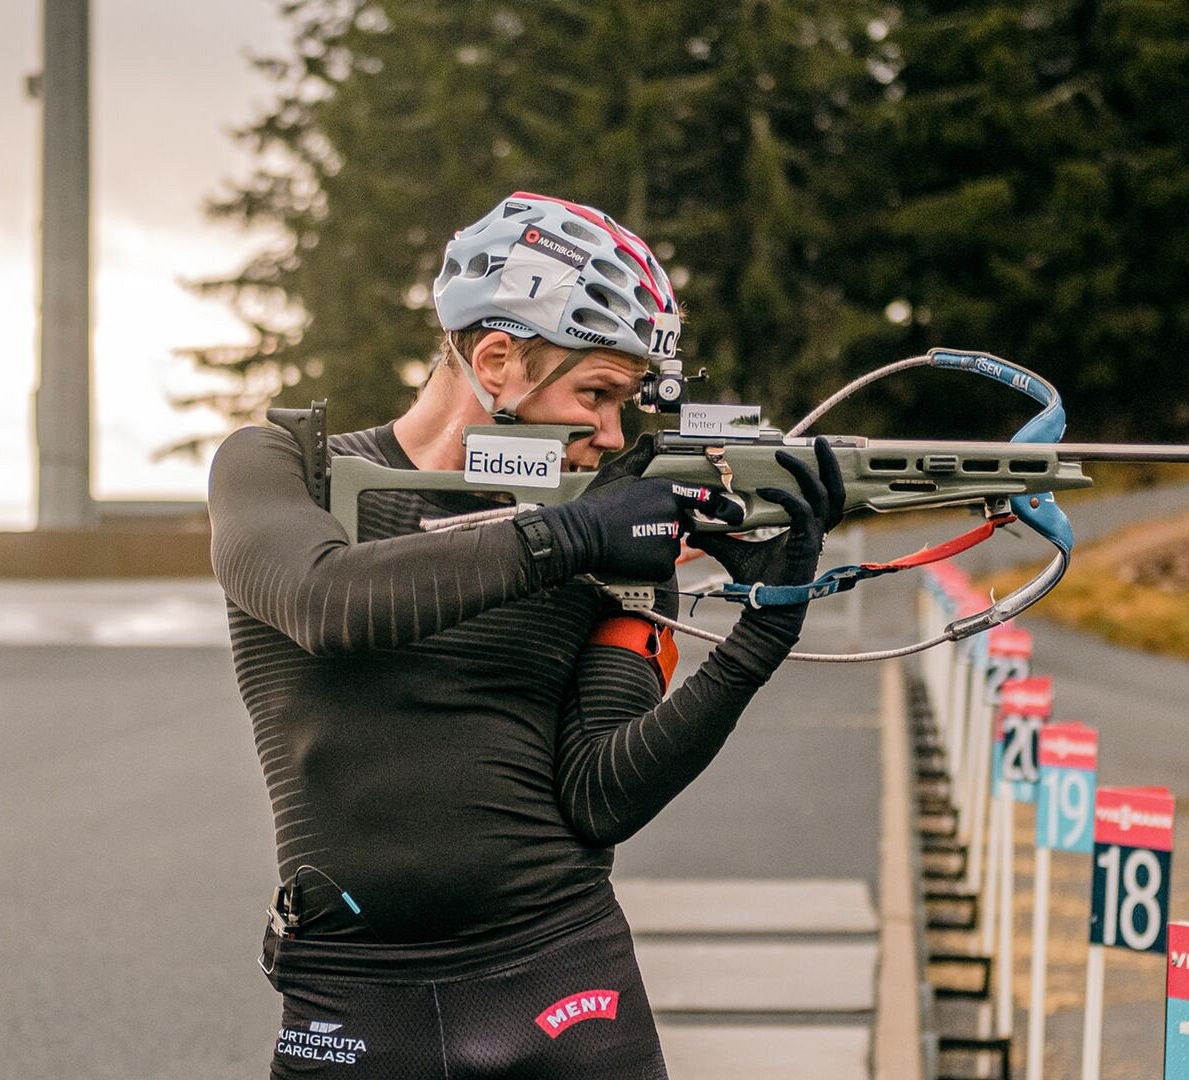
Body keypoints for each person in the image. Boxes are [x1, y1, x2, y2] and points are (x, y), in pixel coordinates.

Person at [207, 192, 844, 1079]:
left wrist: (758, 637)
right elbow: (327, 604)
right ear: (498, 359)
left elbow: (598, 798)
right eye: (596, 394)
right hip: (350, 998)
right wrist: (571, 538)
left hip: (563, 977)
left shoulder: (607, 529)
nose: (612, 436)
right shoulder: (282, 468)